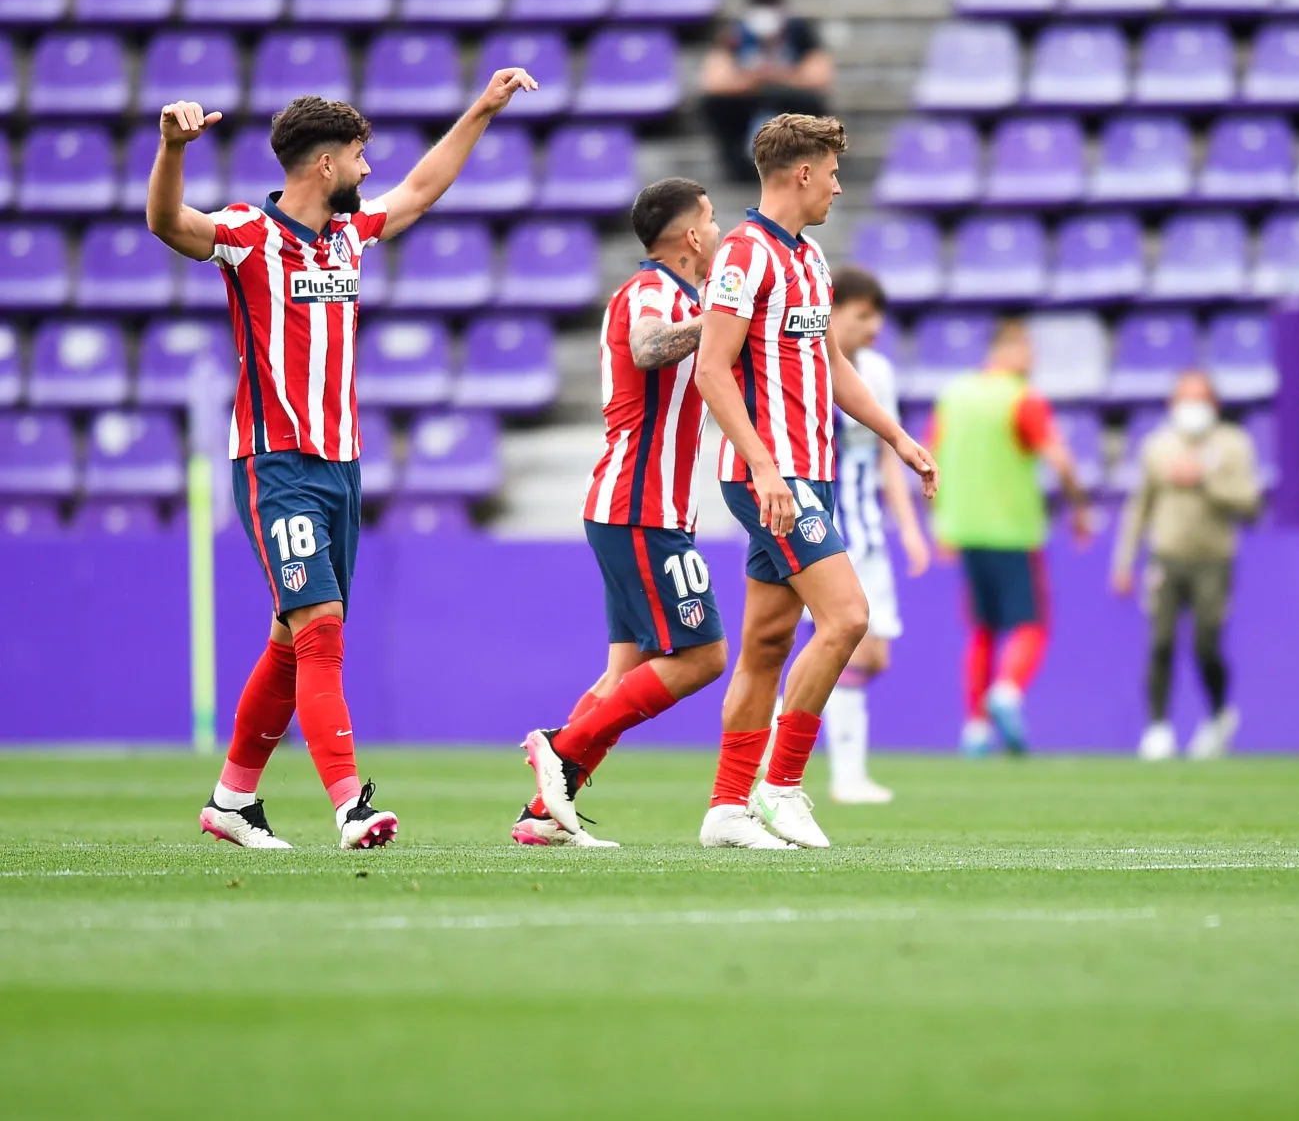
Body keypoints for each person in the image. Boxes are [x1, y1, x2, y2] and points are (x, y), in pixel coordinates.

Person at [149, 70, 539, 849]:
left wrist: (482, 110)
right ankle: (349, 806)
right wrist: (170, 149)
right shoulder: (246, 236)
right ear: (326, 164)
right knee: (320, 628)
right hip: (276, 461)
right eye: (361, 157)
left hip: (341, 469)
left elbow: (422, 189)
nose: (370, 171)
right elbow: (166, 223)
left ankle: (232, 800)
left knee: (293, 641)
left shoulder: (346, 235)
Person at [692, 114, 937, 850]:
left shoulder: (811, 258)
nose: (836, 183)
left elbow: (832, 367)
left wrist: (895, 436)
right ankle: (782, 786)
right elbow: (710, 369)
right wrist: (765, 466)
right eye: (830, 170)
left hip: (812, 473)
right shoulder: (743, 253)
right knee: (847, 619)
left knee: (767, 643)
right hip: (769, 476)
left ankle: (727, 809)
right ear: (800, 172)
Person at [513, 180, 729, 847]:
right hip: (640, 505)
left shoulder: (680, 295)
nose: (718, 229)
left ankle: (545, 812)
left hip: (639, 505)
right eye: (712, 219)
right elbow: (645, 347)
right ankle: (563, 746)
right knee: (702, 657)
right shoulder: (651, 292)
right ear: (691, 236)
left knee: (624, 672)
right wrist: (722, 320)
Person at [929, 319, 1092, 756]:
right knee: (1031, 625)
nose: (1034, 359)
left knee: (983, 629)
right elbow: (1059, 459)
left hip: (965, 529)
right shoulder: (1022, 399)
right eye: (1028, 349)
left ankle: (977, 728)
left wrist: (940, 522)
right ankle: (1006, 692)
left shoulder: (954, 395)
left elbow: (930, 458)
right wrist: (1080, 509)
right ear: (1010, 350)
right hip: (1014, 531)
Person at [820, 265, 931, 805]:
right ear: (831, 311)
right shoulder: (809, 367)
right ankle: (841, 775)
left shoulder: (879, 374)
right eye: (862, 316)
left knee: (872, 654)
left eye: (876, 318)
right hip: (824, 530)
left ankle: (833, 767)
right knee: (849, 647)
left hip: (868, 532)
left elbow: (889, 456)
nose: (872, 328)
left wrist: (909, 530)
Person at [1112, 371, 1262, 761]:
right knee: (1160, 642)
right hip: (1166, 555)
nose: (1191, 407)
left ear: (1213, 404)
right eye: (1184, 398)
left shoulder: (1233, 445)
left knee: (1205, 645)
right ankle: (1158, 727)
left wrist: (1205, 481)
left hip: (1214, 559)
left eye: (1199, 398)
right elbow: (1139, 505)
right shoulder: (1157, 446)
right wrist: (1124, 560)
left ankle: (1217, 716)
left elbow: (1250, 503)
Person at [699, 0, 835, 185]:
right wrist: (753, 79)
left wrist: (775, 75)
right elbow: (714, 82)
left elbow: (819, 78)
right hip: (745, 104)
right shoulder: (733, 35)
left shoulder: (799, 32)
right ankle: (741, 170)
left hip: (788, 103)